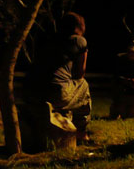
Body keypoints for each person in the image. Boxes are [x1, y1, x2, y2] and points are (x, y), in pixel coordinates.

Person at [24, 12, 91, 142]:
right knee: (83, 86)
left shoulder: (49, 40)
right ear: (79, 27)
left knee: (67, 86)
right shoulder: (79, 40)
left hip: (30, 91)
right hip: (54, 92)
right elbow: (80, 73)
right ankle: (81, 132)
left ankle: (61, 125)